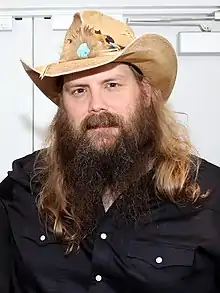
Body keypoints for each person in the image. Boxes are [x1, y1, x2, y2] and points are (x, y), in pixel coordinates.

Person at [0, 9, 220, 293]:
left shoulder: (210, 196)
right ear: (63, 107)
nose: (96, 105)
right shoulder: (23, 189)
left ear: (146, 95)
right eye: (79, 90)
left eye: (112, 85)